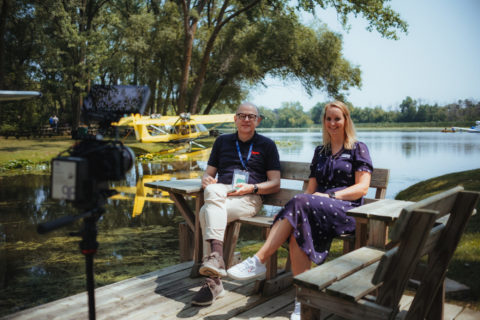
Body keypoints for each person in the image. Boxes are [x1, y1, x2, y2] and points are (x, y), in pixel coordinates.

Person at [226, 100, 373, 320]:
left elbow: (362, 188)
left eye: (337, 119)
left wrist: (331, 195)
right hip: (315, 208)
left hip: (346, 210)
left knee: (300, 206)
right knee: (297, 227)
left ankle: (259, 260)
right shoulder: (320, 151)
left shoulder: (357, 148)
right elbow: (310, 189)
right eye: (328, 119)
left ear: (346, 121)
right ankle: (302, 300)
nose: (332, 123)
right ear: (324, 122)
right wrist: (302, 202)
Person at [191, 102, 281, 306]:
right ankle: (216, 264)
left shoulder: (267, 145)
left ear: (258, 120)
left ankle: (213, 280)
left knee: (206, 211)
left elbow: (275, 183)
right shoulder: (222, 142)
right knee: (212, 190)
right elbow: (209, 174)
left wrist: (253, 188)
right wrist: (205, 179)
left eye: (251, 116)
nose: (246, 119)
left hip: (249, 198)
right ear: (235, 119)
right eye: (242, 115)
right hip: (223, 192)